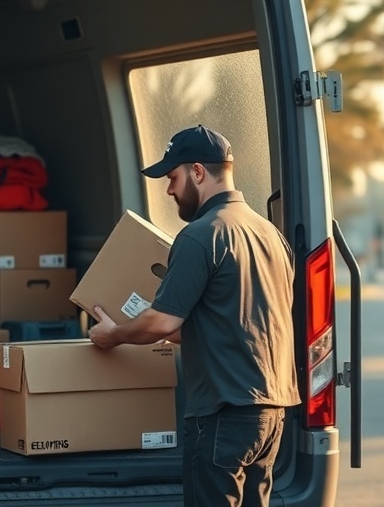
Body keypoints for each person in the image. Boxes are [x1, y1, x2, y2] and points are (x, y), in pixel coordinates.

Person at [87, 125, 300, 507]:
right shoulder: (270, 234)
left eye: (173, 177)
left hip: (223, 413)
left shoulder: (201, 235)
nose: (169, 190)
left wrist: (113, 335)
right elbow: (243, 324)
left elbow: (162, 322)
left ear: (198, 172)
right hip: (271, 414)